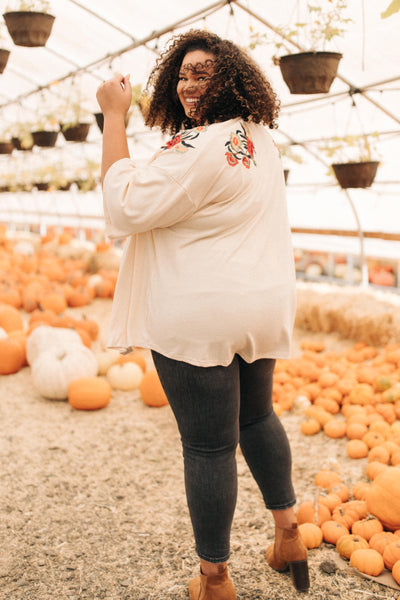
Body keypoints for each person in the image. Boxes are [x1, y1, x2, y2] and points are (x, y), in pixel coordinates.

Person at [96, 29, 309, 600]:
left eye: (204, 73)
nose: (190, 83)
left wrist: (113, 117)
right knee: (257, 418)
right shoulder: (260, 137)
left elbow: (124, 204)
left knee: (210, 447)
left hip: (200, 313)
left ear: (231, 79)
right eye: (184, 74)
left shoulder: (198, 146)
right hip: (258, 306)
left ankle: (214, 579)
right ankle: (289, 537)